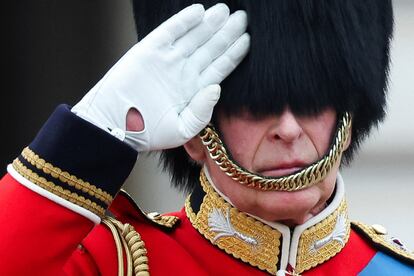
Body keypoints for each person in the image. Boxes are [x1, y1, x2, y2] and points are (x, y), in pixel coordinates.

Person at [1, 1, 413, 275]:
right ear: (198, 134)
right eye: (256, 105)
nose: (287, 130)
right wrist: (97, 131)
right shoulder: (116, 263)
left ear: (349, 118)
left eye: (310, 104)